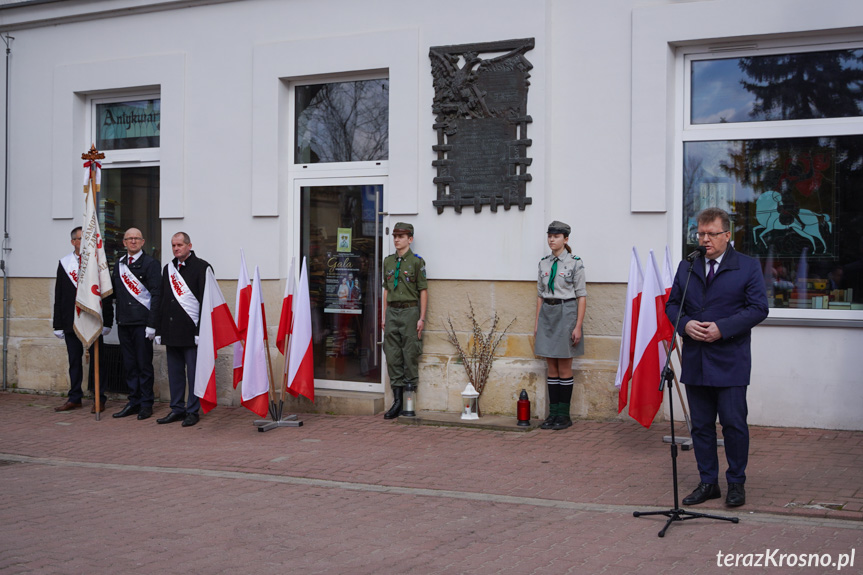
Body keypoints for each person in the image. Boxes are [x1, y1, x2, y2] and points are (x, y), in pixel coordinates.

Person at [666, 207, 768, 508]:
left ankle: (736, 483)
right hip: (696, 359)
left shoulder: (747, 267)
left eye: (711, 234)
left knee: (734, 424)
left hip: (730, 359)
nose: (705, 240)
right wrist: (684, 324)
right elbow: (672, 305)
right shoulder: (688, 266)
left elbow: (758, 309)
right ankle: (708, 482)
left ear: (727, 235)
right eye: (700, 234)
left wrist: (722, 329)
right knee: (700, 426)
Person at [52, 226, 113, 413]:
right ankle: (75, 397)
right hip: (72, 320)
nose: (84, 242)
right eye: (80, 238)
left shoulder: (97, 262)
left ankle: (99, 398)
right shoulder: (65, 263)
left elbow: (106, 294)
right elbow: (59, 295)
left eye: (86, 238)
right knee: (74, 361)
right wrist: (58, 324)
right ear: (73, 242)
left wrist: (108, 321)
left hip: (93, 319)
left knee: (98, 361)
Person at [534, 221, 587, 430]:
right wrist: (537, 322)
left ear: (566, 239)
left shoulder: (575, 262)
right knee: (551, 367)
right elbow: (539, 295)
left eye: (556, 236)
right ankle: (553, 414)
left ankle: (564, 416)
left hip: (567, 312)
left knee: (564, 366)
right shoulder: (543, 263)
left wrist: (578, 326)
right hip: (548, 312)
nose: (551, 240)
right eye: (549, 236)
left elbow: (582, 296)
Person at [154, 232, 211, 427]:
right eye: (173, 245)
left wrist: (200, 332)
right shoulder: (167, 269)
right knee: (175, 373)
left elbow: (206, 302)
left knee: (193, 374)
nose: (176, 248)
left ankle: (192, 411)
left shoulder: (202, 267)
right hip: (171, 330)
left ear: (189, 245)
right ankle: (177, 408)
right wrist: (159, 330)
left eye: (179, 244)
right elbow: (162, 300)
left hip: (191, 332)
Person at [110, 228, 161, 420]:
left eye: (136, 239)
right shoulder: (120, 265)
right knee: (129, 365)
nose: (133, 241)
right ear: (124, 242)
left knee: (143, 365)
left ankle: (146, 403)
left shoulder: (150, 264)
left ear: (143, 242)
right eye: (129, 239)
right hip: (124, 322)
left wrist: (152, 324)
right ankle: (134, 401)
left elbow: (156, 295)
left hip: (142, 323)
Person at [381, 222, 427, 419]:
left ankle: (408, 402)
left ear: (410, 239)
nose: (396, 240)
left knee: (409, 353)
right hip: (392, 312)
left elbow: (423, 291)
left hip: (409, 312)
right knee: (392, 354)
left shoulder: (417, 262)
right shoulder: (388, 262)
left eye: (401, 236)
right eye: (394, 236)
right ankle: (397, 400)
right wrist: (383, 315)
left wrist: (421, 318)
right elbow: (386, 290)